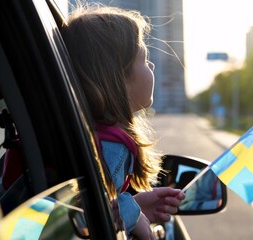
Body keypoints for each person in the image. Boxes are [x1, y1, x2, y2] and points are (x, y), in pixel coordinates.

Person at [61, 3, 185, 239]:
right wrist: (135, 216)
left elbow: (99, 201)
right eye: (145, 58)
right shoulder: (111, 149)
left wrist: (134, 205)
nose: (152, 65)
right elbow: (88, 209)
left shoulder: (93, 138)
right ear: (119, 78)